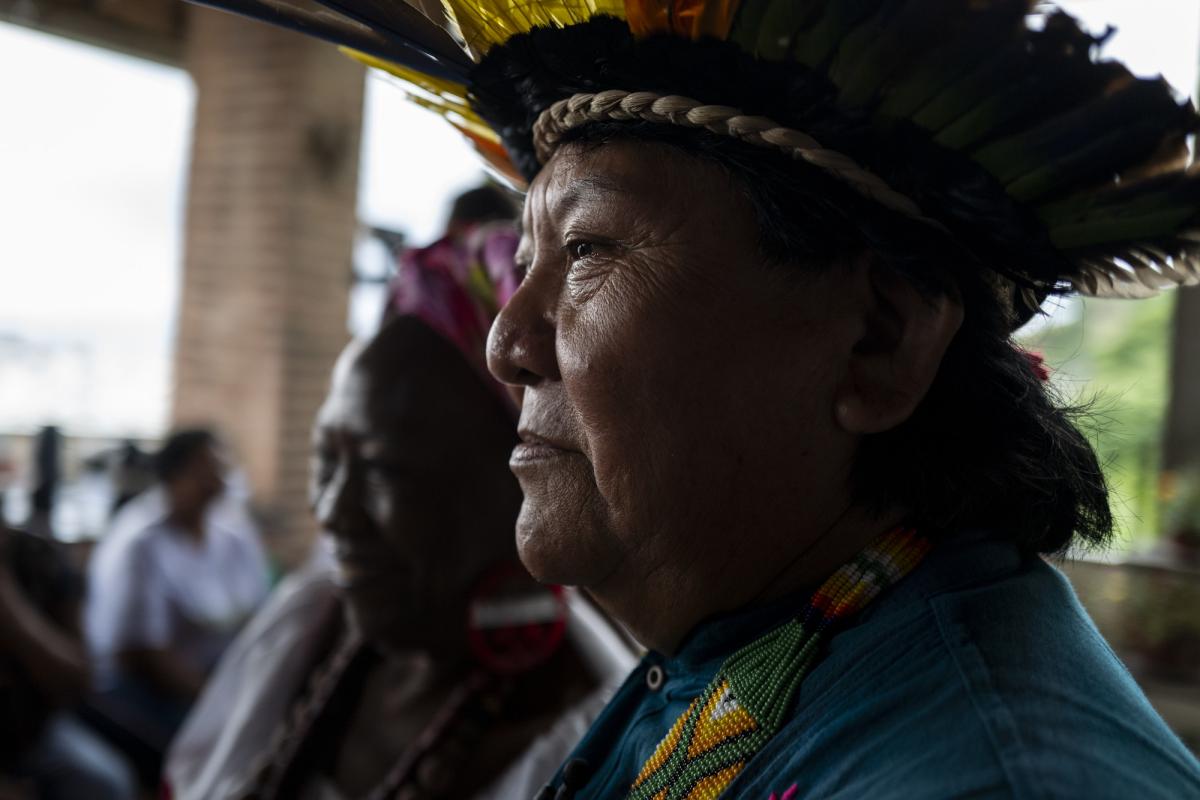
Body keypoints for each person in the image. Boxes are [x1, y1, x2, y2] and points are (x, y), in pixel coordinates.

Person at [189, 1, 1200, 797]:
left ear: (878, 339)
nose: (508, 342)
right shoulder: (757, 651)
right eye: (523, 260)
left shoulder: (987, 777)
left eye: (585, 252)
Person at [165, 225, 633, 800]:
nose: (331, 510)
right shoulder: (307, 626)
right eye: (327, 461)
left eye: (385, 471)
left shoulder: (598, 750)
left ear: (523, 480)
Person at [85, 428, 269, 753]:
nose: (216, 481)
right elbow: (145, 656)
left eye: (220, 469)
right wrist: (218, 701)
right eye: (203, 471)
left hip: (213, 681)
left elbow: (260, 618)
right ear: (172, 476)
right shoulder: (141, 544)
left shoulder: (234, 537)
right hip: (149, 690)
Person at [0, 522, 135, 800]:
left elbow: (81, 679)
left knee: (107, 783)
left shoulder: (39, 556)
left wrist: (10, 609)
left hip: (33, 737)